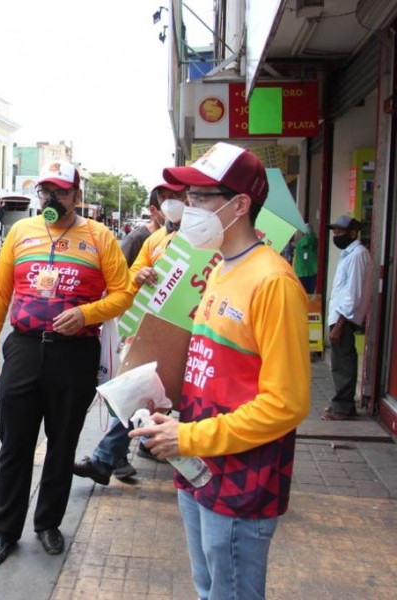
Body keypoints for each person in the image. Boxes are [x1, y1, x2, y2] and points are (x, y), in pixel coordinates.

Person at [130, 142, 311, 600]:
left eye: (201, 197)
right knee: (207, 587)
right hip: (197, 468)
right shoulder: (218, 270)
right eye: (187, 198)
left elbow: (286, 404)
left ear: (240, 205)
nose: (188, 209)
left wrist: (188, 438)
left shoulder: (274, 282)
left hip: (241, 480)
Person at [0, 161, 133, 568]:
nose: (51, 198)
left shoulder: (99, 237)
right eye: (45, 190)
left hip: (74, 355)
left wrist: (87, 314)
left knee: (62, 445)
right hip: (24, 350)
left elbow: (123, 294)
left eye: (60, 191)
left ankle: (48, 523)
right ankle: (3, 532)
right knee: (14, 445)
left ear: (77, 197)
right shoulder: (20, 233)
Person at [74, 182, 184, 485]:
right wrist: (140, 275)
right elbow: (128, 279)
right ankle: (107, 458)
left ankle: (189, 462)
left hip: (198, 333)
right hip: (157, 329)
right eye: (165, 198)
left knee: (187, 401)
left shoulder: (208, 240)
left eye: (179, 196)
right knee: (137, 388)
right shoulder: (155, 240)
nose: (172, 203)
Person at [323, 215, 372, 421]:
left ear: (352, 233)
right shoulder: (349, 254)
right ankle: (341, 404)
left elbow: (353, 293)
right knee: (339, 362)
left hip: (345, 318)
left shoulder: (357, 255)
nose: (336, 236)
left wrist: (339, 325)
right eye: (335, 233)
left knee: (344, 363)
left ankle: (343, 407)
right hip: (339, 316)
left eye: (340, 233)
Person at [293, 224, 318, 293]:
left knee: (301, 294)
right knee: (310, 294)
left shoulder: (299, 244)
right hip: (312, 271)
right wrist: (312, 234)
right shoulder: (315, 241)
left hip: (301, 272)